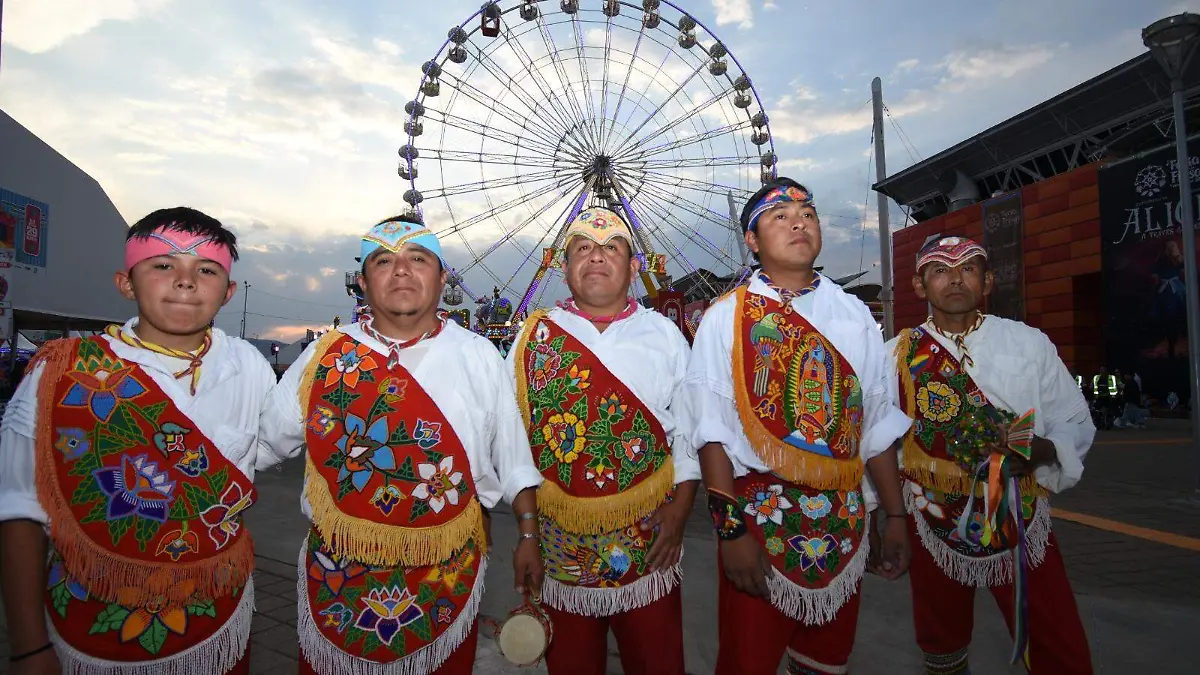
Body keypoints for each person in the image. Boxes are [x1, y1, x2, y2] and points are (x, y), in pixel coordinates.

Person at [257, 214, 545, 675]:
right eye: (383, 261)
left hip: (447, 571)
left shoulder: (478, 356)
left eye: (418, 258)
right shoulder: (324, 355)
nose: (402, 270)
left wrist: (529, 535)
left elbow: (512, 459)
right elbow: (263, 443)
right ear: (363, 282)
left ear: (442, 276)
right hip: (339, 572)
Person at [0, 207, 276, 674]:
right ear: (126, 283)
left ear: (227, 293)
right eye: (163, 265)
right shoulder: (62, 373)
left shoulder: (249, 367)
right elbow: (17, 509)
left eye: (206, 270)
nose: (185, 281)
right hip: (91, 626)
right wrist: (28, 647)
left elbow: (272, 445)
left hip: (220, 622)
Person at [679, 178, 913, 675]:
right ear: (752, 239)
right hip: (761, 520)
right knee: (749, 661)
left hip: (844, 520)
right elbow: (710, 432)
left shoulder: (854, 315)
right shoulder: (727, 319)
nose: (798, 222)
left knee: (827, 661)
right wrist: (731, 533)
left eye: (807, 212)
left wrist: (894, 516)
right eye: (779, 216)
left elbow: (874, 425)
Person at [888, 235, 1094, 674]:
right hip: (930, 515)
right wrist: (883, 517)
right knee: (941, 642)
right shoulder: (896, 355)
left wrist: (1042, 450)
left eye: (968, 268)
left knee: (1056, 636)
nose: (955, 279)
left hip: (1018, 510)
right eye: (940, 269)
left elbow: (1074, 418)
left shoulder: (1028, 343)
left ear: (987, 282)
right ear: (919, 285)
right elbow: (877, 442)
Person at [506, 207, 699, 675]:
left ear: (634, 267)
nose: (596, 256)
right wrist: (527, 535)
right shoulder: (534, 338)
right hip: (558, 547)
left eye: (612, 246)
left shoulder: (666, 335)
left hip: (649, 541)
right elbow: (514, 445)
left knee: (657, 663)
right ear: (564, 265)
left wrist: (679, 512)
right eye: (583, 248)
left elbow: (692, 431)